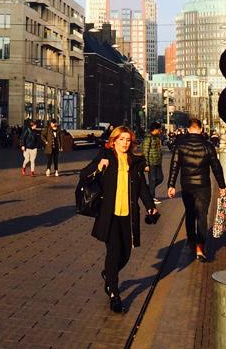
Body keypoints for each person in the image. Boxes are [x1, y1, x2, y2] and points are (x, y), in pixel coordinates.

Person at [90, 126, 157, 314]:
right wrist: (98, 166)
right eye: (121, 139)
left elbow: (142, 187)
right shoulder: (106, 158)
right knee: (113, 251)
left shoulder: (135, 162)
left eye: (128, 140)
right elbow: (84, 176)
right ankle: (114, 293)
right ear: (114, 141)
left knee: (126, 252)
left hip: (128, 215)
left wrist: (150, 205)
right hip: (109, 215)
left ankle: (108, 274)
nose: (125, 143)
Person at [167, 118, 226, 262]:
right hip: (203, 186)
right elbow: (216, 166)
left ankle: (190, 241)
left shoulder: (180, 145)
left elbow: (174, 166)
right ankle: (200, 246)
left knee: (190, 213)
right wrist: (222, 186)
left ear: (188, 129)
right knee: (202, 215)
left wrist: (171, 185)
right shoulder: (208, 146)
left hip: (187, 186)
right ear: (201, 129)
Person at [140, 122, 164, 203]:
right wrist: (146, 164)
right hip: (151, 162)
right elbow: (145, 151)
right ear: (155, 129)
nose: (160, 131)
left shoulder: (157, 137)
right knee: (152, 180)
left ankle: (148, 189)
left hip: (158, 162)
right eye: (159, 129)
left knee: (160, 178)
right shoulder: (148, 138)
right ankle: (151, 197)